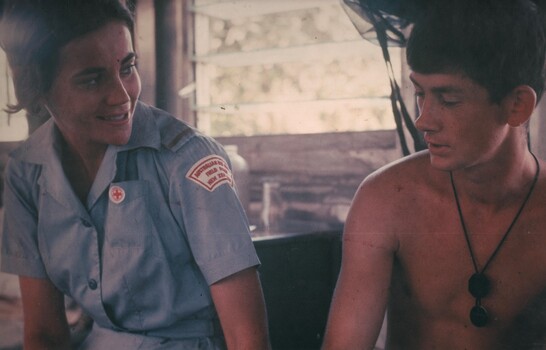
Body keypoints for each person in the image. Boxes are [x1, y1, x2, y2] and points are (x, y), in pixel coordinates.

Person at [0, 1, 271, 349]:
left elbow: (247, 339)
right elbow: (44, 334)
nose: (121, 95)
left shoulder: (187, 159)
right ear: (36, 88)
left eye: (127, 67)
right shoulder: (26, 172)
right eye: (92, 78)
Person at [322, 1, 546, 349]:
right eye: (420, 93)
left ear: (517, 106)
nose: (423, 120)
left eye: (449, 99)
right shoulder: (386, 197)